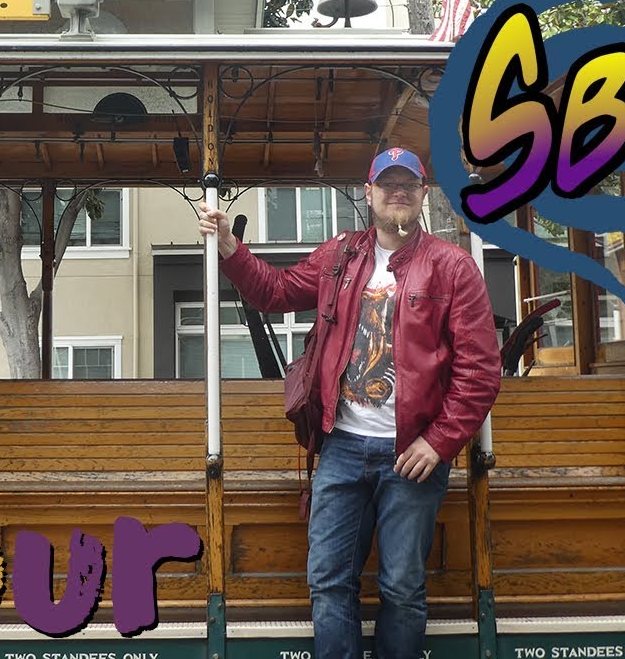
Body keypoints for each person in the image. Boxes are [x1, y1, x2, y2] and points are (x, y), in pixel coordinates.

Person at [197, 147, 501, 659]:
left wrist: (439, 441)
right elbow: (276, 292)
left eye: (409, 184)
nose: (398, 192)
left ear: (423, 193)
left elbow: (480, 371)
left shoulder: (453, 267)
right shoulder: (340, 255)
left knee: (401, 587)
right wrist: (229, 244)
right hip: (341, 447)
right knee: (328, 581)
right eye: (388, 184)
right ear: (368, 193)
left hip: (412, 454)